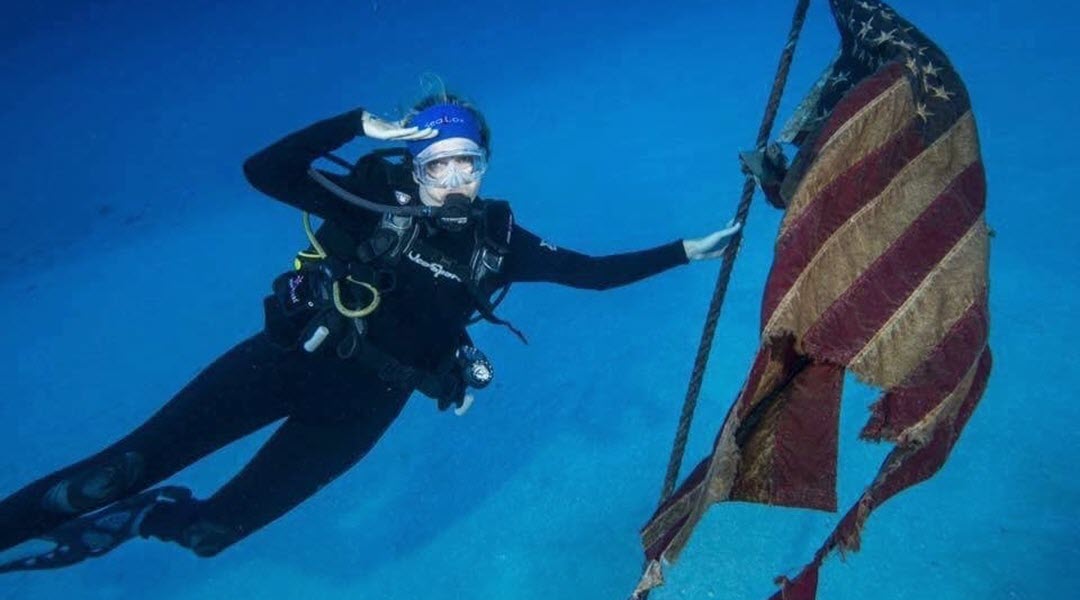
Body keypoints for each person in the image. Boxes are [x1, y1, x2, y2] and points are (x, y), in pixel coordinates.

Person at [0, 93, 741, 573]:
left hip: (363, 410)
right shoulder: (371, 205)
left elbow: (593, 272)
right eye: (437, 163)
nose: (453, 181)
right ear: (413, 164)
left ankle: (155, 518)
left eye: (468, 164)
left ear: (485, 167)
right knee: (117, 468)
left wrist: (686, 251)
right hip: (287, 359)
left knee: (212, 534)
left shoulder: (499, 240)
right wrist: (354, 125)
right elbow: (266, 170)